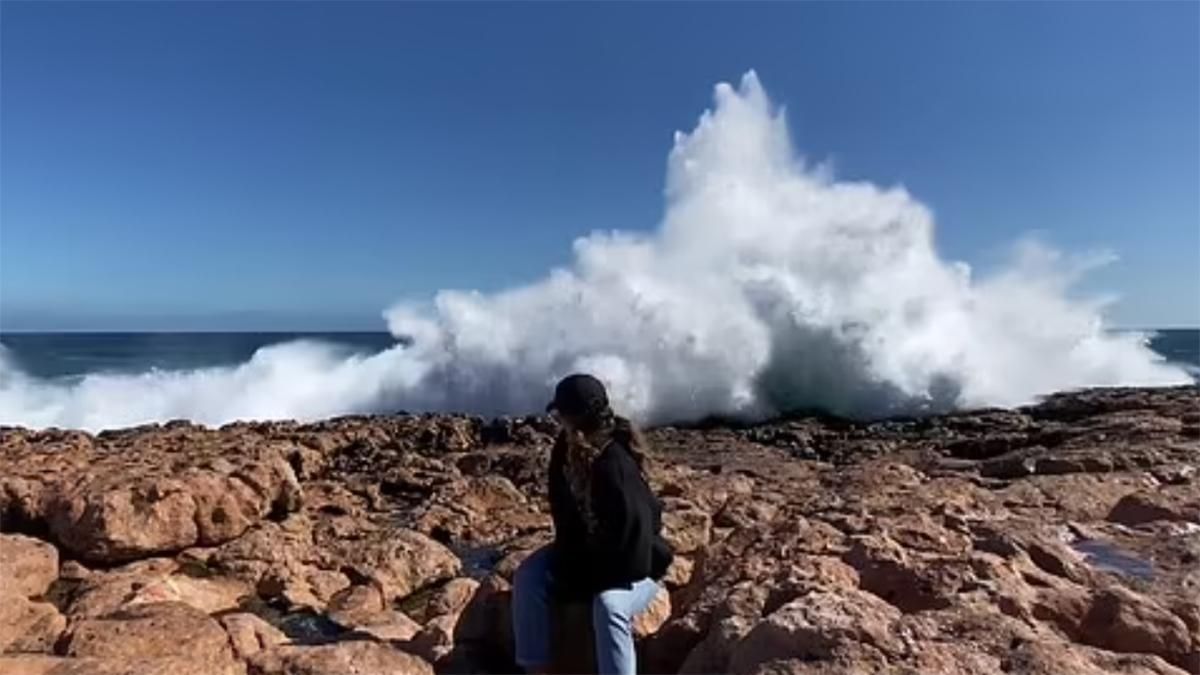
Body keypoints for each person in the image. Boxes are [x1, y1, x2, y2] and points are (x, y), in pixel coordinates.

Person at [513, 373, 674, 675]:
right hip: (590, 558)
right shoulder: (565, 450)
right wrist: (570, 568)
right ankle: (536, 668)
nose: (557, 418)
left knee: (609, 607)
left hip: (636, 567)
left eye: (561, 412)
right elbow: (565, 520)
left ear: (575, 417)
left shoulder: (616, 463)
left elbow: (634, 551)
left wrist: (583, 582)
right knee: (528, 576)